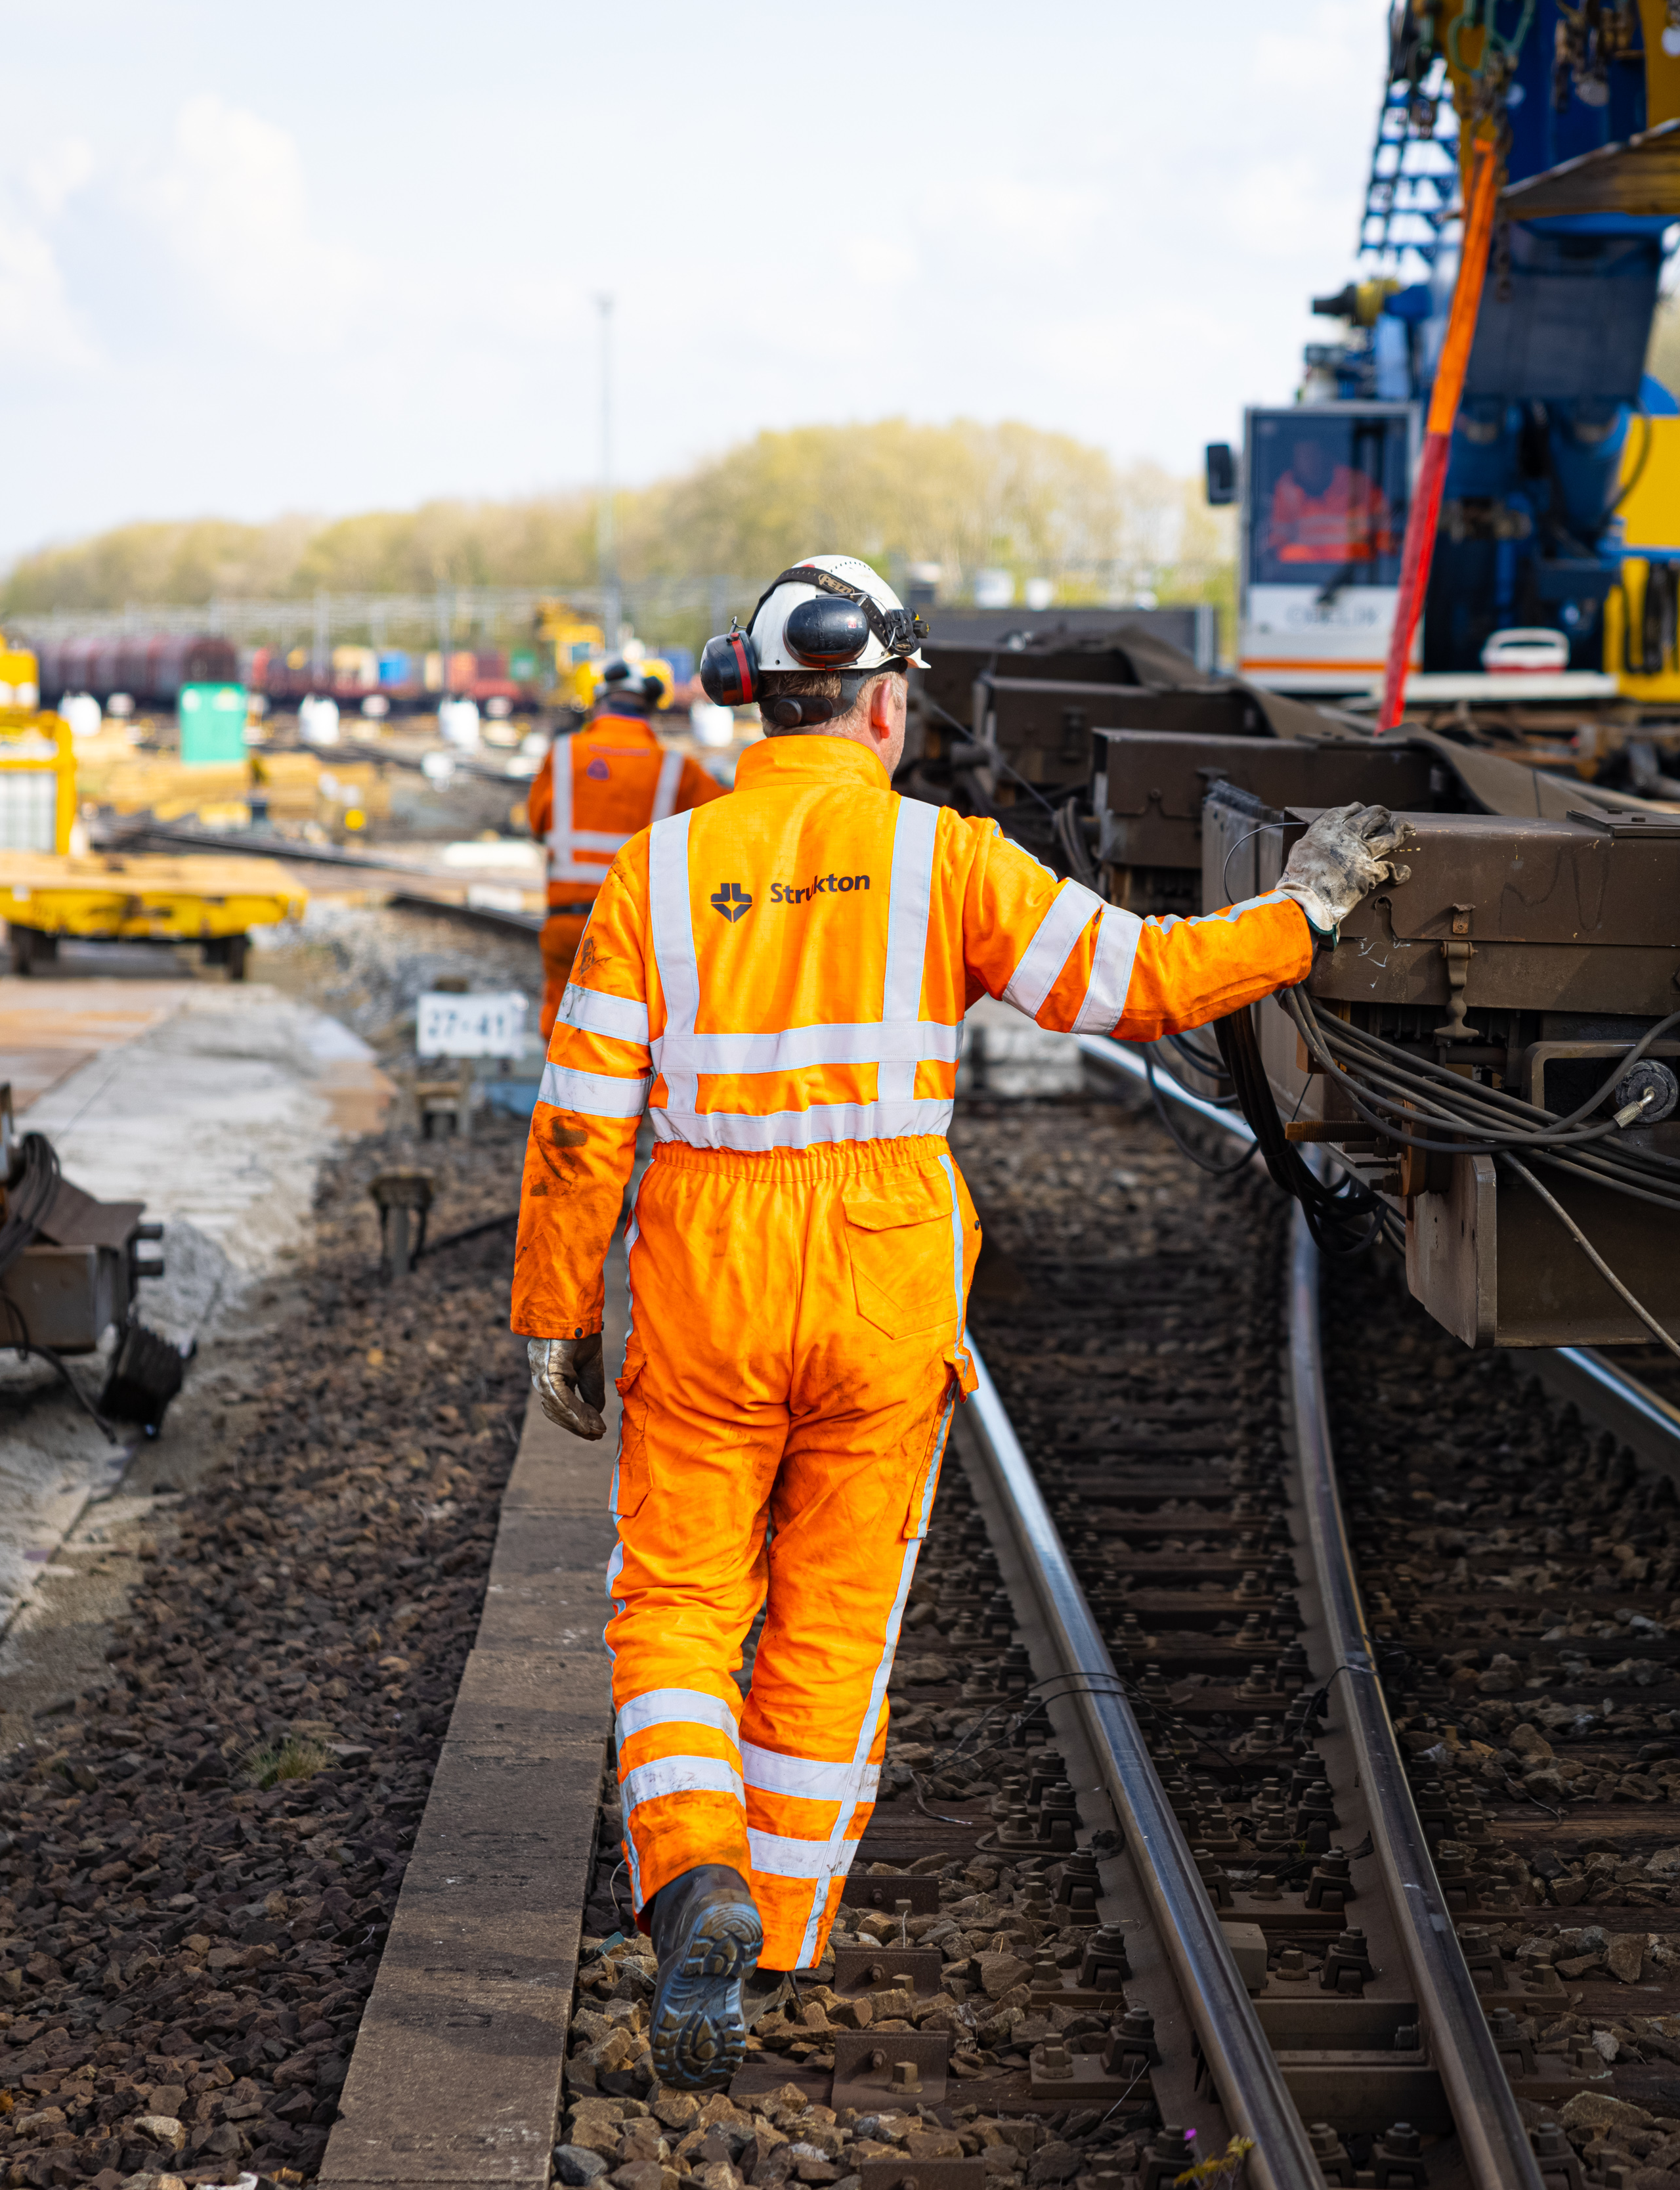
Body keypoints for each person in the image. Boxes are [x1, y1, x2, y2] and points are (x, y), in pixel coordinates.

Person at [508, 553, 1402, 2090]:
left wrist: (557, 1317)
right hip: (879, 1269)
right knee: (835, 1618)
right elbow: (1143, 981)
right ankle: (774, 1930)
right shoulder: (946, 863)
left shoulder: (655, 876)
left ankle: (694, 1875)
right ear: (875, 701)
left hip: (710, 1270)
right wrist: (1303, 915)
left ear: (756, 702)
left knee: (673, 1606)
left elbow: (582, 1125)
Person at [527, 670, 727, 1038]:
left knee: (562, 1027)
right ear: (648, 711)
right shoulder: (674, 769)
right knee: (629, 1031)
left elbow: (537, 822)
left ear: (599, 706)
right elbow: (727, 820)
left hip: (566, 923)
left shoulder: (564, 753)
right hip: (635, 928)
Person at [1266, 434, 1392, 565]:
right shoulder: (1286, 490)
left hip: (1358, 579)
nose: (1308, 462)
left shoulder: (1358, 485)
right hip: (1302, 581)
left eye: (1312, 454)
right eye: (1301, 456)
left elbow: (1386, 544)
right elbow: (1277, 552)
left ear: (1325, 455)